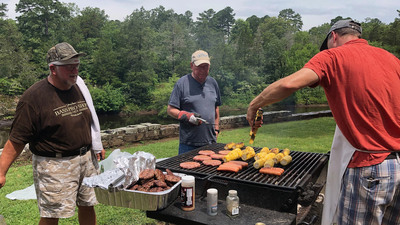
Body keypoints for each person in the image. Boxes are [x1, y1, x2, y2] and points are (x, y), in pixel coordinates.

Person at [247, 19, 400, 225]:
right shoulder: (391, 59)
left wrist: (254, 104)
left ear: (334, 36)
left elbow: (289, 83)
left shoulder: (332, 56)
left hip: (370, 168)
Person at [0, 42, 106, 225]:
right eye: (69, 66)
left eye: (77, 65)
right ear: (53, 69)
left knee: (88, 204)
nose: (75, 70)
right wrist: (1, 171)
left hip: (86, 159)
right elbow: (17, 140)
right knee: (52, 214)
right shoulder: (34, 98)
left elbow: (89, 119)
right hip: (55, 165)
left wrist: (96, 144)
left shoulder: (78, 86)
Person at [167, 50, 222, 154]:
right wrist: (185, 115)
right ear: (191, 66)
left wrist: (217, 129)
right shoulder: (182, 83)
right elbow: (170, 110)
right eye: (199, 67)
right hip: (188, 145)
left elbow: (216, 108)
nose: (203, 70)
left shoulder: (213, 83)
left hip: (211, 143)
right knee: (185, 170)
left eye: (206, 66)